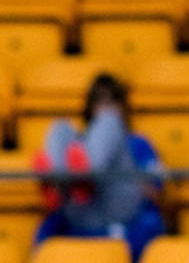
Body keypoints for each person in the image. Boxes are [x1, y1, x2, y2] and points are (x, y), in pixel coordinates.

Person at [33, 73, 166, 263]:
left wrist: (127, 179)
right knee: (60, 127)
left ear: (122, 106)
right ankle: (65, 176)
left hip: (120, 208)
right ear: (89, 107)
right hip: (83, 211)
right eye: (99, 101)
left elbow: (157, 192)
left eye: (112, 101)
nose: (105, 108)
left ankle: (79, 174)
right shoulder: (78, 141)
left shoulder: (139, 143)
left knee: (108, 123)